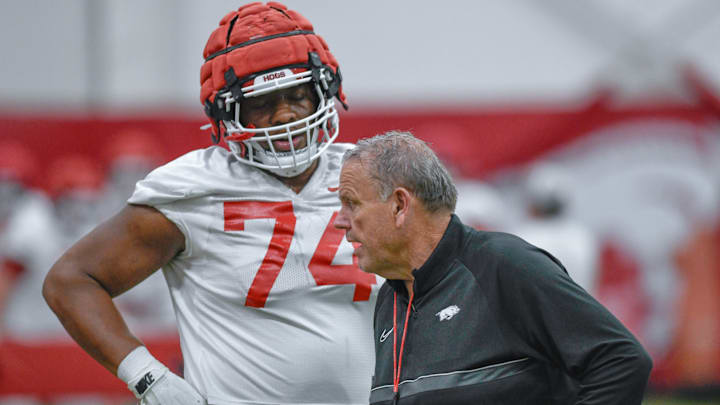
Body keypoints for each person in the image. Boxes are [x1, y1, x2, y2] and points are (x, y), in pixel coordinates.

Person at [42, 3, 380, 405]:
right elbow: (70, 281)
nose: (285, 116)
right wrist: (149, 378)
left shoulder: (373, 174)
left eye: (297, 95)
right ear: (227, 112)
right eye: (262, 103)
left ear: (324, 91)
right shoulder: (191, 190)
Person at [333, 131, 653, 404]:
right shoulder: (391, 297)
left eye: (352, 203)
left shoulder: (504, 266)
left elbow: (621, 361)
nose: (340, 221)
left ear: (400, 205)